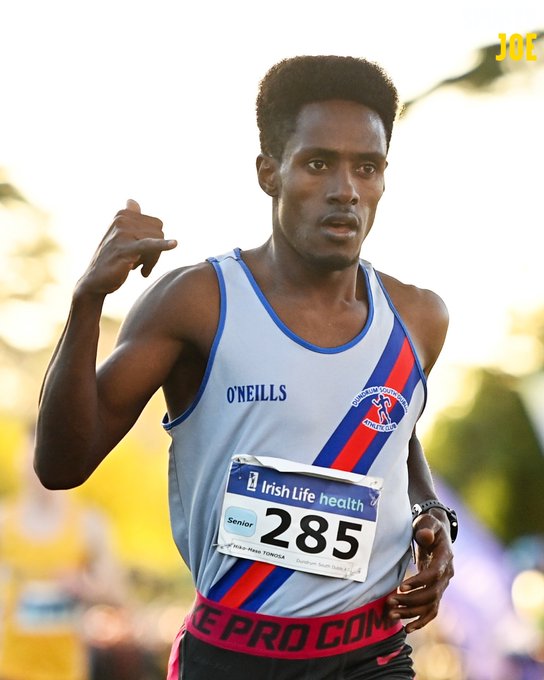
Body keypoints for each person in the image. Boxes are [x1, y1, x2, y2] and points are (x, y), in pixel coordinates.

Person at [35, 55, 457, 679]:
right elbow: (61, 465)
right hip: (235, 656)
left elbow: (395, 431)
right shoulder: (198, 302)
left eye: (366, 167)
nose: (346, 189)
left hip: (373, 656)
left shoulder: (419, 318)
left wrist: (431, 512)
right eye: (319, 163)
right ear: (269, 173)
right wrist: (87, 300)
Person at [0, 428, 124, 680]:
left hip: (67, 670)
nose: (40, 473)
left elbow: (117, 594)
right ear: (20, 462)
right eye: (34, 461)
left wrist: (84, 586)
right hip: (9, 667)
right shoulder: (4, 523)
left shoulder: (90, 525)